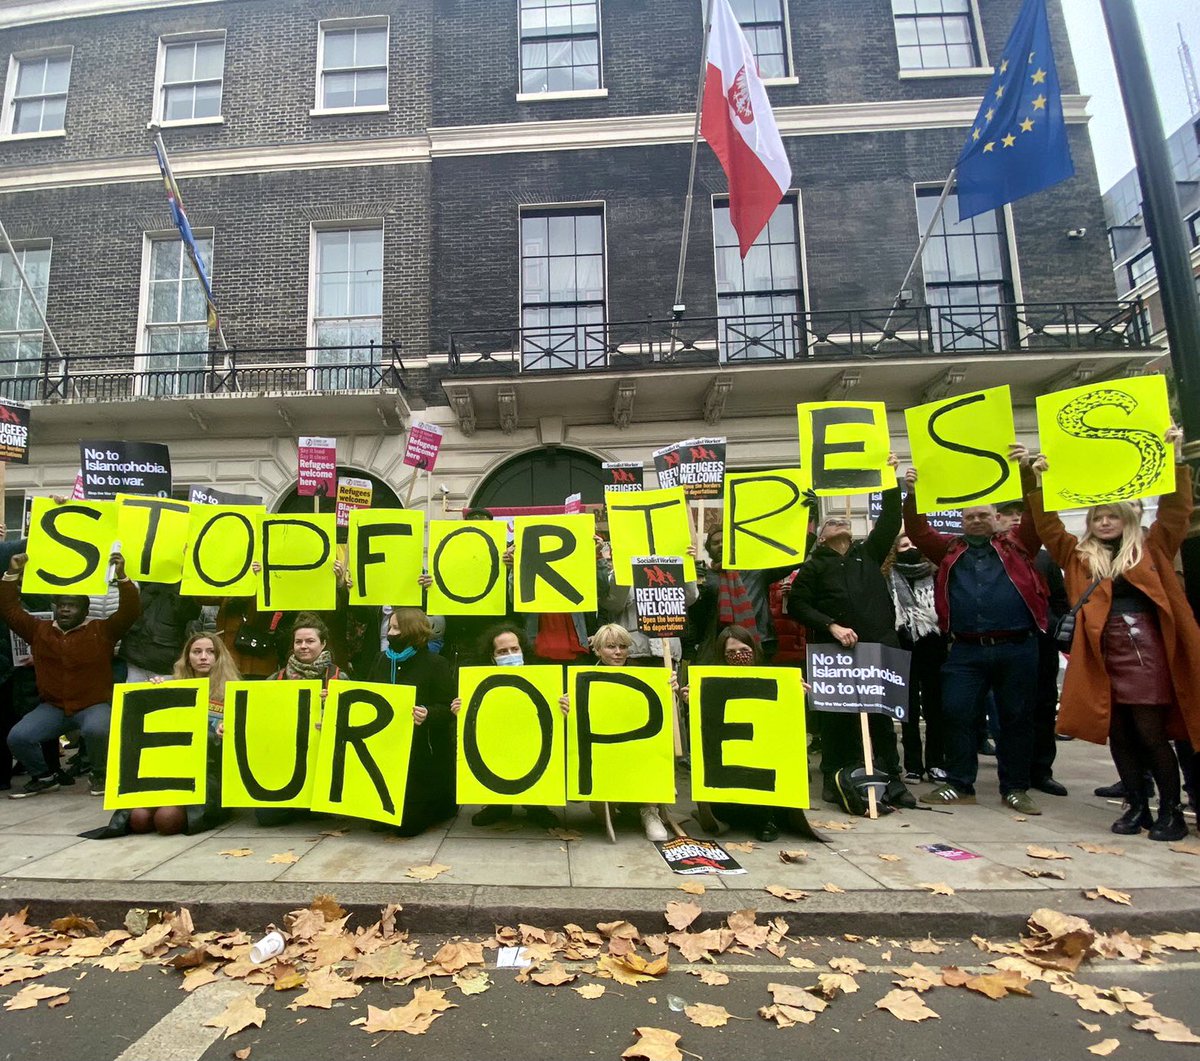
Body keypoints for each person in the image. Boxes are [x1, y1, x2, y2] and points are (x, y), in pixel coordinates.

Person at [1023, 430, 1200, 841]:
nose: (1104, 522)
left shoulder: (1151, 547)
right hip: (1102, 654)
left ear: (1127, 519)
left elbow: (1176, 512)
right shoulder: (1079, 556)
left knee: (1151, 733)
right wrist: (1038, 481)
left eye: (1112, 516)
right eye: (1097, 518)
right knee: (1118, 733)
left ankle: (1170, 810)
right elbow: (1048, 527)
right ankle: (1136, 805)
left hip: (1146, 654)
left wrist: (1175, 460)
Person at [903, 466, 1047, 814]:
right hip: (966, 650)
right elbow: (919, 531)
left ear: (997, 518)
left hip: (1017, 647)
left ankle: (1015, 788)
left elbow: (1037, 517)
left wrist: (1029, 476)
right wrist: (913, 493)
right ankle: (959, 784)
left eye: (984, 515)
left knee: (1016, 718)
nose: (977, 521)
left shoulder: (1020, 545)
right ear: (961, 521)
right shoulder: (949, 549)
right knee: (956, 712)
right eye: (970, 517)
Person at [787, 459, 916, 810]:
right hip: (834, 655)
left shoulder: (869, 554)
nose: (839, 522)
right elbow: (797, 604)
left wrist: (889, 480)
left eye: (843, 521)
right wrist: (831, 624)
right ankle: (835, 777)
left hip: (876, 650)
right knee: (836, 721)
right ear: (821, 537)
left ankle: (892, 779)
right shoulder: (813, 567)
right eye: (831, 522)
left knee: (881, 719)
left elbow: (890, 520)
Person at [2, 551, 140, 798]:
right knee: (18, 737)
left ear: (85, 610)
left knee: (97, 730)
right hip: (53, 708)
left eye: (73, 606)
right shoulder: (39, 630)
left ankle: (100, 774)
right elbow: (9, 609)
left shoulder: (102, 630)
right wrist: (12, 573)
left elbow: (130, 611)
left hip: (93, 705)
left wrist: (122, 577)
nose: (65, 610)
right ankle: (44, 777)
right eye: (62, 605)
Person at [81, 633, 239, 838]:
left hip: (206, 773)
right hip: (166, 768)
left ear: (220, 657)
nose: (203, 657)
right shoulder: (170, 684)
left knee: (166, 820)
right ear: (187, 657)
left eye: (210, 652)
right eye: (196, 651)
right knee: (138, 819)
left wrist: (227, 732)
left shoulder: (232, 692)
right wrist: (153, 694)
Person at [681, 624, 823, 842]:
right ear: (722, 655)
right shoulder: (711, 680)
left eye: (743, 650)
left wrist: (795, 695)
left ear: (754, 649)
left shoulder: (772, 675)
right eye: (731, 652)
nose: (738, 656)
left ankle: (766, 818)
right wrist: (693, 701)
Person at [451, 622, 567, 829]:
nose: (510, 655)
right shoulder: (478, 680)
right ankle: (498, 806)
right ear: (492, 657)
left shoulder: (543, 678)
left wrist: (563, 707)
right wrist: (461, 708)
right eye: (502, 652)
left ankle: (537, 807)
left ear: (523, 650)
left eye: (514, 649)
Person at [995, 499, 1070, 797]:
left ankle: (1041, 770)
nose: (1015, 519)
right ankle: (1014, 770)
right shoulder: (988, 555)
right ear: (997, 518)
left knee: (1043, 706)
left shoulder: (1044, 558)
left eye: (1020, 514)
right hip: (1006, 643)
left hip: (1041, 643)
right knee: (1012, 710)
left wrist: (1056, 629)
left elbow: (1061, 600)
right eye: (1008, 514)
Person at [367, 606, 457, 836]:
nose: (390, 633)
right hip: (388, 748)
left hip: (422, 754)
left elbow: (449, 708)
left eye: (396, 628)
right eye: (390, 627)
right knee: (378, 824)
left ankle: (440, 805)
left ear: (411, 631)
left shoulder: (436, 664)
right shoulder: (380, 660)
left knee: (407, 827)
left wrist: (428, 713)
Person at [587, 622, 676, 842]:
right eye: (611, 647)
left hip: (638, 745)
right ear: (597, 650)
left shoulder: (645, 675)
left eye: (623, 646)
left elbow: (663, 717)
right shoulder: (584, 676)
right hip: (603, 749)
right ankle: (618, 804)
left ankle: (649, 810)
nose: (618, 652)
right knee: (602, 814)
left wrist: (670, 691)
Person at [255, 613, 345, 826]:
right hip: (284, 759)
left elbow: (352, 724)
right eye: (298, 642)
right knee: (267, 818)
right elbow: (258, 719)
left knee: (319, 813)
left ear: (323, 644)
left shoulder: (339, 679)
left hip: (323, 758)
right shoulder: (275, 679)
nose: (303, 646)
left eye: (310, 641)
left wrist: (331, 712)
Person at [887, 533, 947, 783]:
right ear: (895, 551)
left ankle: (936, 762)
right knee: (907, 709)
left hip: (934, 647)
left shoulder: (936, 574)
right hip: (902, 648)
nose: (910, 548)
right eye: (904, 545)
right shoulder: (888, 577)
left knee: (935, 708)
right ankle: (913, 765)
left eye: (914, 544)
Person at [118, 581, 201, 682]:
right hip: (133, 661)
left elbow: (192, 612)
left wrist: (178, 588)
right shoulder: (140, 587)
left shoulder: (182, 589)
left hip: (165, 665)